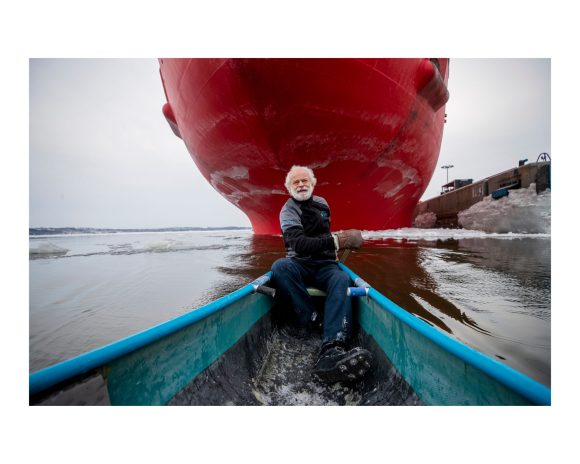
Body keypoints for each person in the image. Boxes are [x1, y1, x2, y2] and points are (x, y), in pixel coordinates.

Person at [270, 165, 372, 383]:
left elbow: (322, 236)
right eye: (295, 182)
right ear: (289, 188)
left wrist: (334, 246)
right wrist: (338, 240)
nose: (300, 185)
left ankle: (333, 347)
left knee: (341, 278)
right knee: (280, 267)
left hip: (325, 264)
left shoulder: (323, 204)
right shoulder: (288, 210)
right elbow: (298, 242)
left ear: (312, 184)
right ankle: (313, 319)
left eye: (304, 181)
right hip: (299, 263)